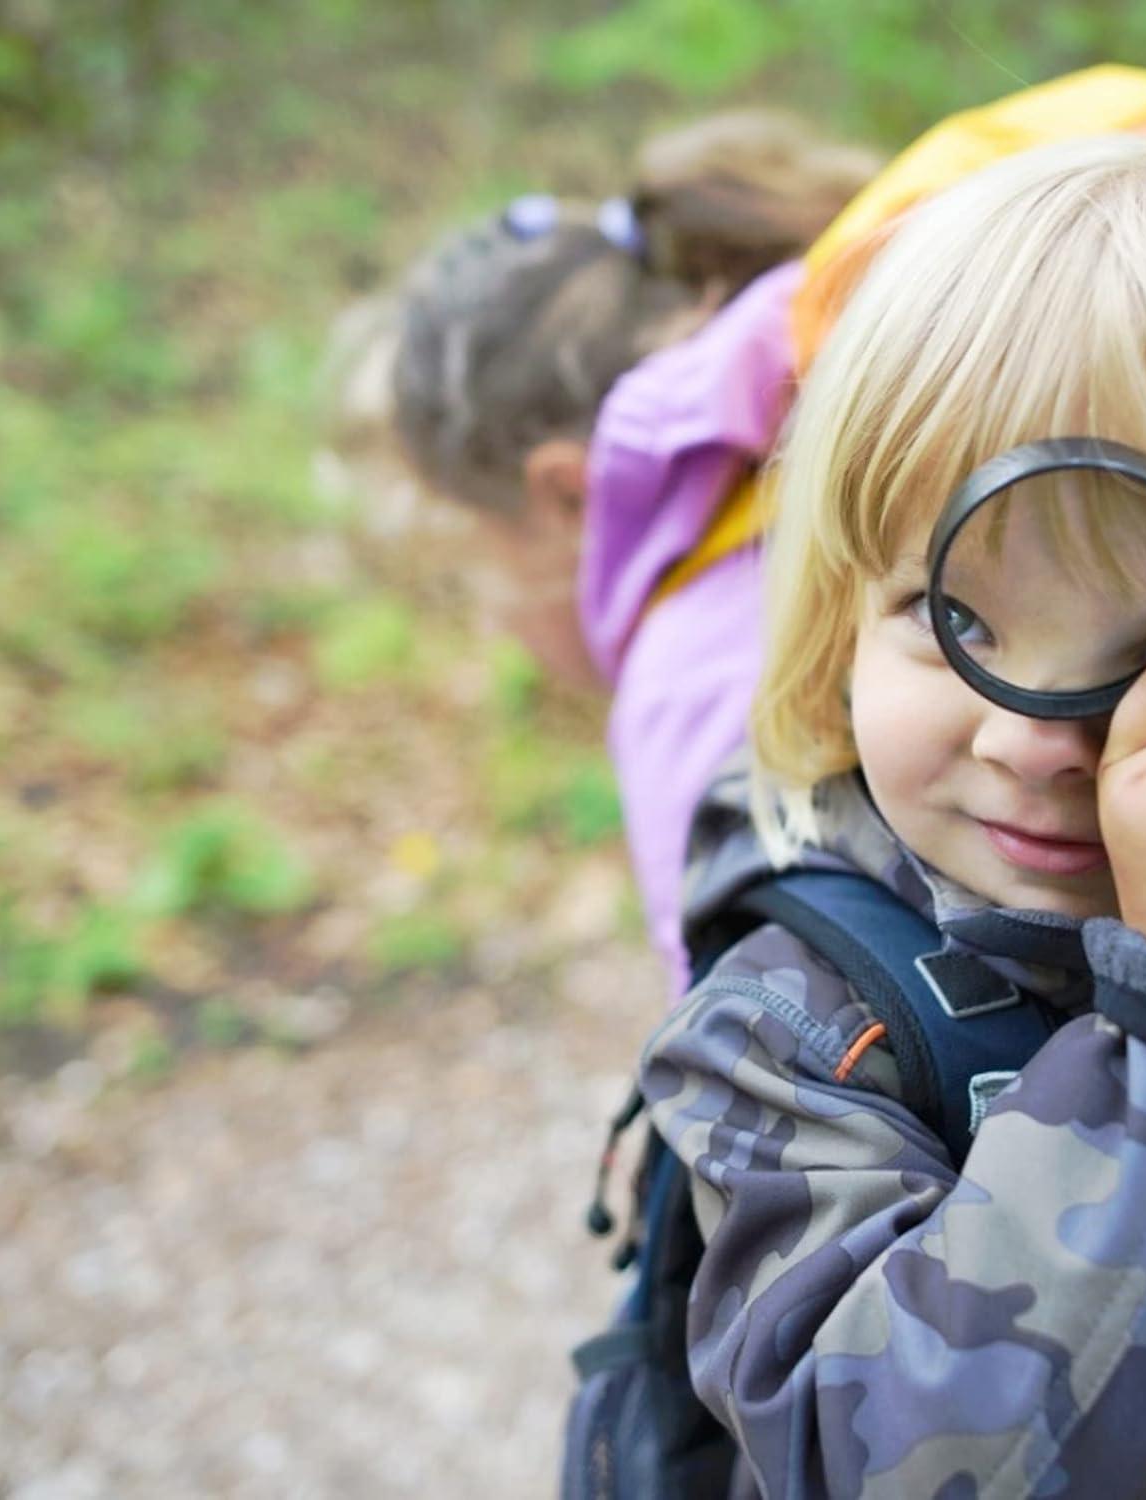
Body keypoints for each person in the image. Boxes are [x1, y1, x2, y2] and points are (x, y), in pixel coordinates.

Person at [639, 133, 1146, 1495]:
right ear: (838, 616)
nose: (1032, 738)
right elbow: (886, 1471)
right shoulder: (797, 1029)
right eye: (957, 616)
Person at [323, 112, 879, 995]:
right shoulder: (839, 469)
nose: (492, 614)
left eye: (476, 562)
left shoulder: (691, 680)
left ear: (568, 494)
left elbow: (751, 1066)